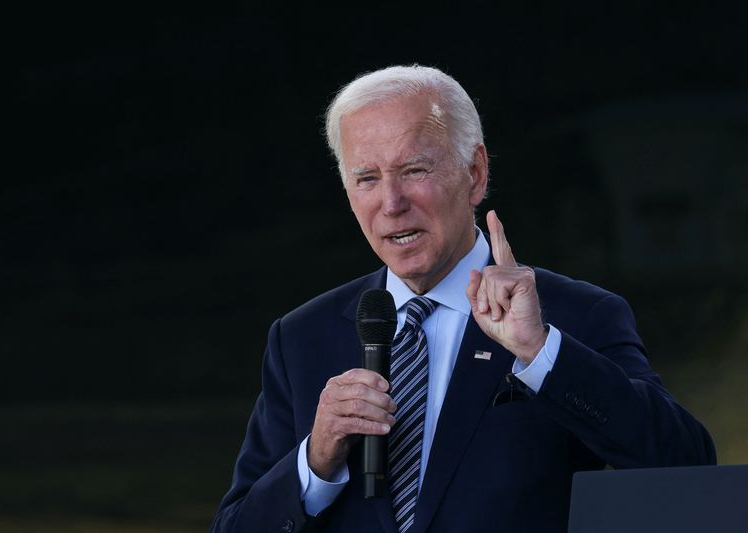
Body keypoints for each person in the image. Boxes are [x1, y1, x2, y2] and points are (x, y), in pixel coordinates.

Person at [211, 65, 715, 533]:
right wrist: (315, 462)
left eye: (414, 171)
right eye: (367, 179)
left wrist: (541, 353)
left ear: (474, 174)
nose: (391, 204)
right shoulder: (300, 337)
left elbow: (687, 465)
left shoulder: (575, 315)